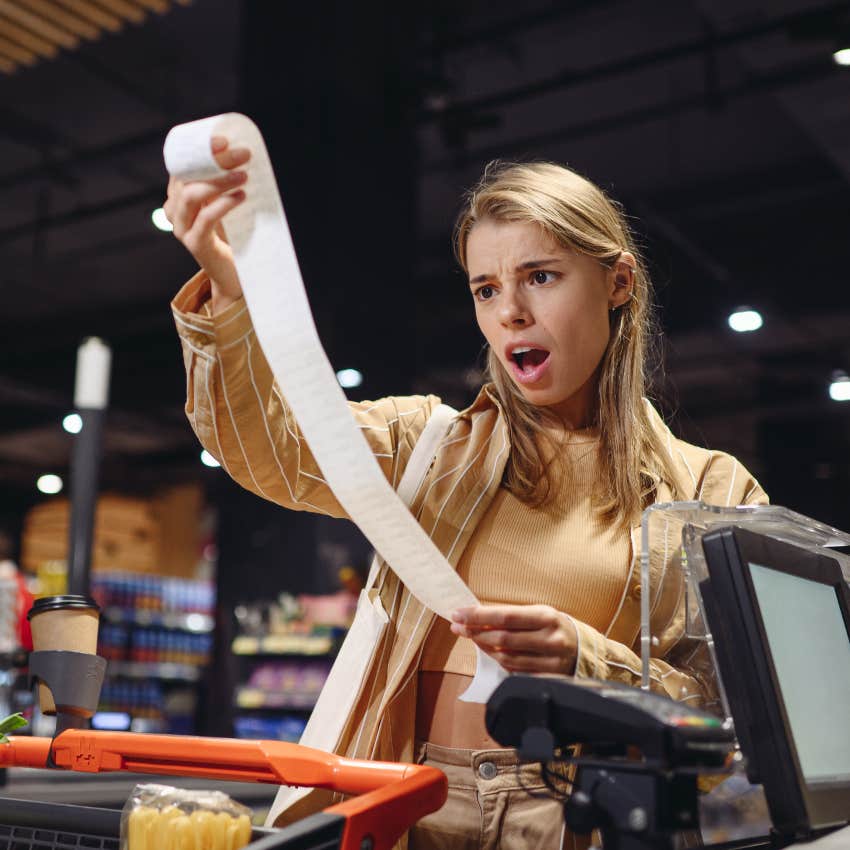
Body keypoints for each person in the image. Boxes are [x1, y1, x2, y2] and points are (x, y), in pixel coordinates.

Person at [165, 142, 767, 850]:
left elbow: (736, 721)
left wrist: (586, 663)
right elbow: (270, 446)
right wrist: (232, 291)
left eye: (540, 276)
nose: (510, 311)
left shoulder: (710, 491)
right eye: (485, 288)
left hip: (578, 819)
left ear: (619, 282)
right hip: (405, 800)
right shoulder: (428, 444)